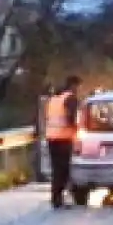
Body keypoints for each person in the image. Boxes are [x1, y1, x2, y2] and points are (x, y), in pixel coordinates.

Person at [43, 75, 83, 208]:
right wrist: (78, 127)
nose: (78, 90)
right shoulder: (70, 98)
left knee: (57, 169)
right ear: (73, 85)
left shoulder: (54, 98)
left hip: (51, 138)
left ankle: (56, 198)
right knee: (64, 169)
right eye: (78, 87)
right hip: (63, 138)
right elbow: (71, 119)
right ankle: (59, 198)